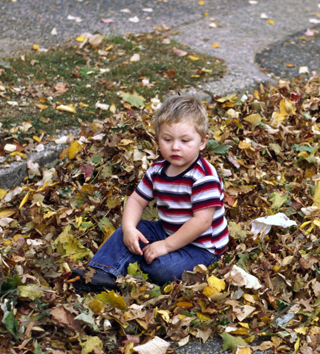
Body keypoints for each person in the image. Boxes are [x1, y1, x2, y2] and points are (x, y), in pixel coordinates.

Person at [71, 94, 229, 291]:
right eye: (167, 139)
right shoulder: (158, 169)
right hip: (167, 230)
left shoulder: (204, 177)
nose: (175, 147)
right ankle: (100, 272)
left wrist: (166, 246)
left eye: (185, 140)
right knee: (127, 231)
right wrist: (129, 228)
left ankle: (134, 262)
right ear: (158, 139)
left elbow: (202, 222)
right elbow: (137, 200)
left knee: (160, 267)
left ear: (202, 142)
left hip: (201, 248)